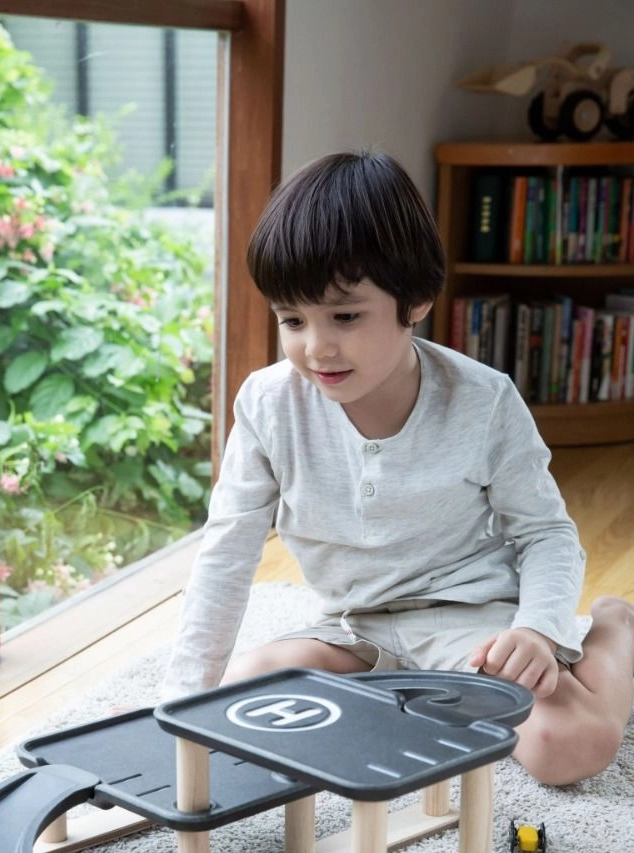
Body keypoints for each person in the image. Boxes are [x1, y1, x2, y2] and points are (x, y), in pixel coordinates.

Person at [163, 149, 634, 786]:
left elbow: (545, 533)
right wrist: (179, 702)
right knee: (241, 695)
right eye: (292, 319)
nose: (316, 346)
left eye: (345, 316)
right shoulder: (267, 404)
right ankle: (407, 695)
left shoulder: (483, 398)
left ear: (413, 301)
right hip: (351, 628)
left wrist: (539, 630)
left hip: (469, 621)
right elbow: (226, 553)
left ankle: (614, 626)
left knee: (569, 747)